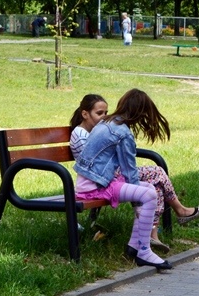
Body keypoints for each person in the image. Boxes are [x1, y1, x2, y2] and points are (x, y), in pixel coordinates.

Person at [69, 94, 199, 253]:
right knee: (157, 173)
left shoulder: (104, 126)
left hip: (106, 175)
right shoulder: (85, 133)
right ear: (85, 114)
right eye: (99, 113)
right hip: (101, 179)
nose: (104, 116)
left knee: (155, 182)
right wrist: (136, 199)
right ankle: (176, 214)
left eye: (105, 112)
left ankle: (155, 232)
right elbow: (95, 163)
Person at [73, 89, 177, 270]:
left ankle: (133, 246)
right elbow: (130, 174)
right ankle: (143, 251)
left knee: (147, 190)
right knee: (148, 195)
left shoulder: (108, 122)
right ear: (139, 112)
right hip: (95, 187)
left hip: (93, 182)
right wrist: (140, 201)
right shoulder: (122, 133)